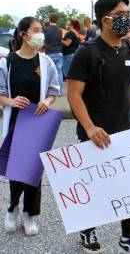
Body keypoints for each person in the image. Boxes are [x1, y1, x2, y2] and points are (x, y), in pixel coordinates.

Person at [67, 0, 130, 254]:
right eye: (122, 15)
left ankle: (128, 239)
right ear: (105, 19)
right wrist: (89, 127)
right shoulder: (86, 52)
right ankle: (88, 231)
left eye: (128, 14)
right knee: (95, 188)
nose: (127, 19)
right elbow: (74, 95)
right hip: (96, 134)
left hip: (128, 131)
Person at [0, 16, 59, 236]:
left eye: (41, 30)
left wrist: (47, 101)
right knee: (16, 169)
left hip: (37, 123)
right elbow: (0, 94)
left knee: (35, 170)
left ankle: (30, 214)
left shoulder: (46, 62)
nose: (40, 34)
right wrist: (11, 101)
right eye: (36, 30)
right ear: (23, 34)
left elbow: (54, 91)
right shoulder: (7, 62)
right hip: (16, 122)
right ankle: (12, 209)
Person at [44, 13, 64, 95]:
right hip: (59, 52)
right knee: (59, 71)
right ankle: (59, 91)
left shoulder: (46, 30)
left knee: (49, 72)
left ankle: (49, 91)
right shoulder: (59, 30)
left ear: (49, 20)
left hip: (49, 52)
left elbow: (44, 41)